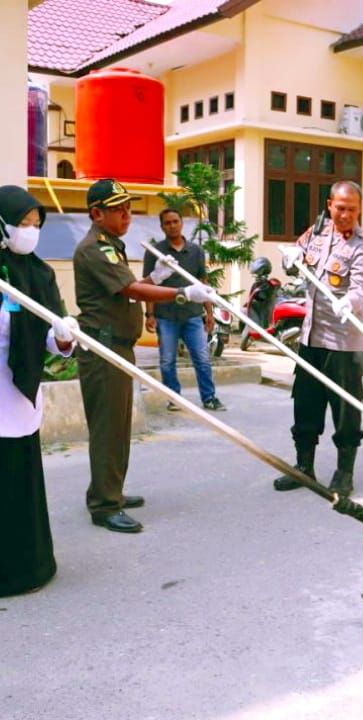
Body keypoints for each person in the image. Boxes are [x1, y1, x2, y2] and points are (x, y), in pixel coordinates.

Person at [73, 179, 215, 533]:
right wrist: (182, 293)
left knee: (118, 426)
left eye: (128, 207)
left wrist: (158, 276)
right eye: (118, 209)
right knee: (108, 427)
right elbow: (129, 288)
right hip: (104, 347)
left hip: (117, 344)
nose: (127, 214)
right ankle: (104, 505)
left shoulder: (111, 245)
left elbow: (129, 286)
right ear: (96, 213)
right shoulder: (95, 248)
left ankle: (110, 491)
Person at [273, 180, 363, 497]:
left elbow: (360, 287)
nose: (346, 215)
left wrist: (351, 302)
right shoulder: (315, 232)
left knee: (345, 412)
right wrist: (289, 258)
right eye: (340, 208)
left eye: (352, 209)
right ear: (330, 205)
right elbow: (296, 259)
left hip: (343, 343)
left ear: (359, 210)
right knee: (305, 405)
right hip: (310, 337)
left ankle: (344, 473)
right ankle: (304, 467)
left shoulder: (361, 245)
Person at [0, 186, 76, 596]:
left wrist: (64, 337)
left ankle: (27, 566)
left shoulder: (39, 273)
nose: (30, 232)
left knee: (17, 480)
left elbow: (50, 335)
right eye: (21, 223)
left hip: (15, 392)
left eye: (35, 224)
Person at [142, 208, 226, 412]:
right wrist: (150, 314)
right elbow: (148, 286)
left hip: (192, 315)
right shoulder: (155, 252)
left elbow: (203, 283)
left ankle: (209, 397)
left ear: (181, 223)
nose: (172, 225)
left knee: (202, 358)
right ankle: (174, 398)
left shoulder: (196, 251)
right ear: (162, 226)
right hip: (166, 316)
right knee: (167, 360)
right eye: (167, 223)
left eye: (175, 221)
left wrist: (209, 312)